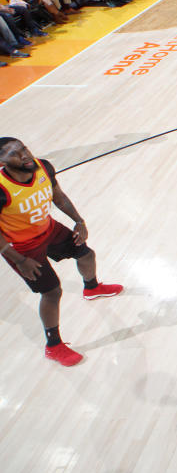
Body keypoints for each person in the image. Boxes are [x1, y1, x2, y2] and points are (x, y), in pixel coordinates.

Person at [0, 138, 123, 367]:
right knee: (52, 292)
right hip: (21, 247)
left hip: (48, 229)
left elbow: (59, 196)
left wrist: (79, 221)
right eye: (15, 154)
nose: (25, 155)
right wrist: (19, 260)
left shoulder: (43, 167)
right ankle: (53, 345)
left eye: (25, 148)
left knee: (86, 254)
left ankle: (92, 288)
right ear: (1, 161)